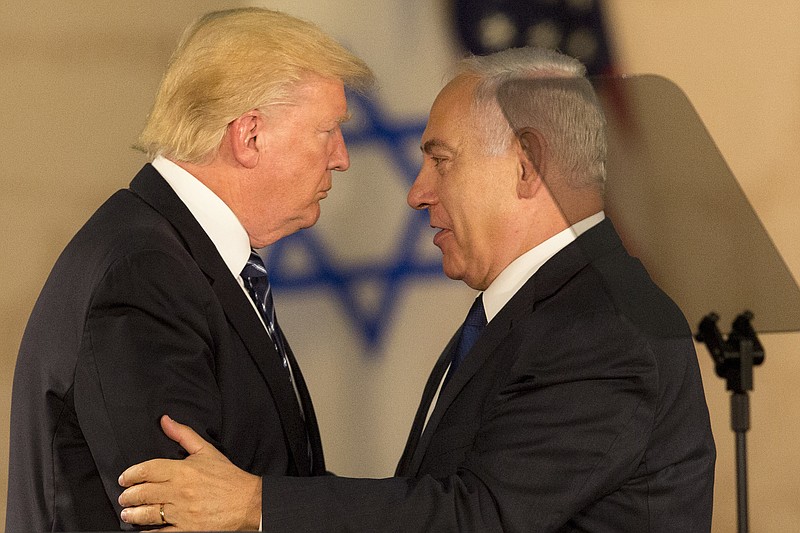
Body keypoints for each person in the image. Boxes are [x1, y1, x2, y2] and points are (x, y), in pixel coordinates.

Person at [117, 47, 716, 531]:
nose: (417, 192)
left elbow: (482, 516)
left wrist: (257, 506)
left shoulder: (602, 326)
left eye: (442, 160)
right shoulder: (547, 309)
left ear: (527, 164)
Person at [5, 7, 373, 532]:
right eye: (327, 130)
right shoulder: (145, 274)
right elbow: (174, 519)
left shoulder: (178, 256)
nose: (341, 157)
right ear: (250, 136)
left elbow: (270, 477)